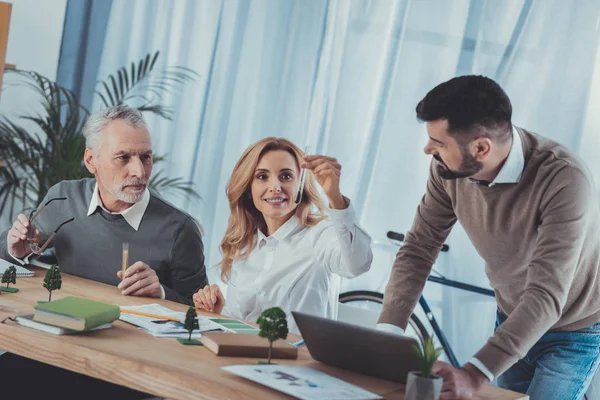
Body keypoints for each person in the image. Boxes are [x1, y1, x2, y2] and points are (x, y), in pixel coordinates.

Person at [377, 75, 600, 399]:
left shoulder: (563, 179)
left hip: (574, 329)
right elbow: (419, 248)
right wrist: (388, 334)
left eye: (439, 143)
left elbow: (547, 295)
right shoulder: (447, 171)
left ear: (481, 147)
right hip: (512, 317)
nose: (428, 150)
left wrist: (475, 373)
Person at [0, 105, 208, 304]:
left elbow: (200, 312)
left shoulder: (180, 229)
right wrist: (16, 251)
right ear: (91, 160)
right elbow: (7, 252)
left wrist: (162, 292)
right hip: (63, 326)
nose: (140, 171)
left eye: (145, 157)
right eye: (123, 157)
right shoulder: (64, 198)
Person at [193, 137, 372, 333]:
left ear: (301, 185)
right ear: (249, 190)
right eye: (262, 177)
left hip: (299, 360)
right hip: (246, 356)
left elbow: (358, 264)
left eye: (286, 176)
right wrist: (219, 310)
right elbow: (241, 320)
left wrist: (335, 196)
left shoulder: (320, 234)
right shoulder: (245, 244)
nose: (275, 187)